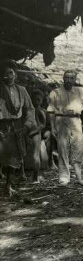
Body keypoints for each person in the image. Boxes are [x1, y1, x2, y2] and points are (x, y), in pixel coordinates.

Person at [47, 70, 83, 186]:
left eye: (72, 78)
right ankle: (64, 177)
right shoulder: (55, 93)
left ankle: (78, 177)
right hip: (61, 120)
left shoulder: (80, 92)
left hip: (76, 120)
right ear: (63, 78)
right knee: (63, 148)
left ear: (75, 80)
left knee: (78, 148)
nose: (69, 80)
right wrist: (52, 127)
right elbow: (50, 111)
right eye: (67, 78)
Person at [0, 61, 35, 197]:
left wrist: (28, 124)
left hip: (18, 127)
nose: (8, 76)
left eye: (11, 73)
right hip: (2, 126)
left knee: (15, 157)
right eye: (5, 74)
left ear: (15, 75)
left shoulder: (22, 90)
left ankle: (8, 185)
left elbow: (30, 109)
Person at [26, 89, 48, 183]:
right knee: (25, 154)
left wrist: (33, 132)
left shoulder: (41, 111)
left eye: (38, 100)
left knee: (36, 155)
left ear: (41, 100)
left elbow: (42, 125)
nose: (36, 101)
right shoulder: (29, 109)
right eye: (34, 99)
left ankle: (35, 177)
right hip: (27, 132)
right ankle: (23, 174)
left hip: (36, 133)